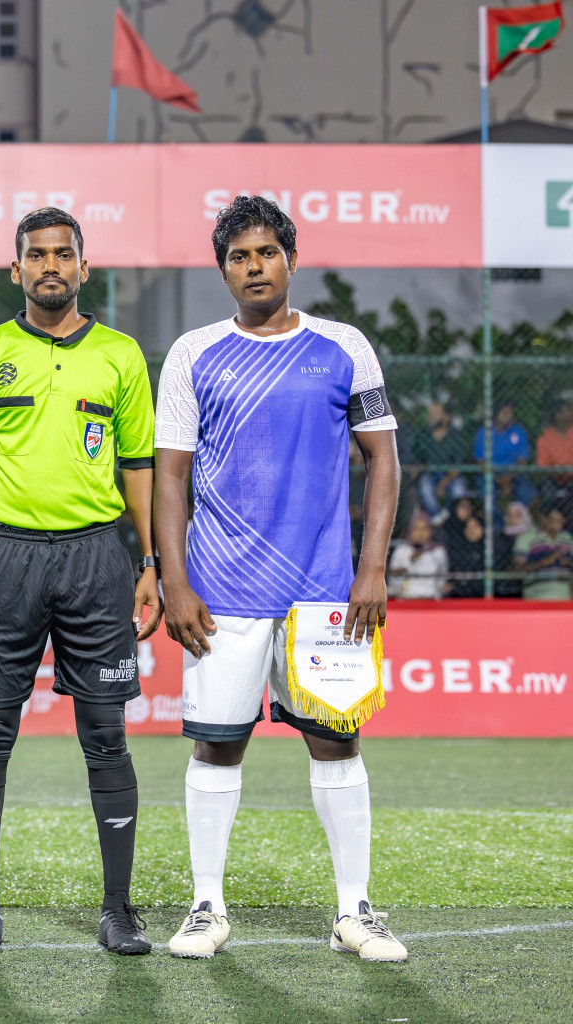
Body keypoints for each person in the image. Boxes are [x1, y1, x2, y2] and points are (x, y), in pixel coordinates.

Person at [154, 194, 407, 963]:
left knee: (337, 746)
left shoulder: (345, 348)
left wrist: (371, 568)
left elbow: (384, 460)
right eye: (239, 256)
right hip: (221, 594)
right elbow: (170, 478)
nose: (254, 266)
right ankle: (206, 908)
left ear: (291, 259)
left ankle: (355, 912)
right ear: (223, 269)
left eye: (266, 252)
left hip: (326, 597)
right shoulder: (193, 353)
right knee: (216, 750)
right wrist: (174, 579)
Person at [0, 207, 160, 956]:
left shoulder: (122, 357)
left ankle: (119, 909)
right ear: (16, 270)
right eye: (37, 256)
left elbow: (138, 470)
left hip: (97, 557)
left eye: (64, 254)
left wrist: (151, 563)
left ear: (84, 268)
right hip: (2, 558)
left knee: (105, 734)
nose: (51, 266)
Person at [410, 402, 470, 521]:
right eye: (430, 413)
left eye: (436, 413)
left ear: (446, 417)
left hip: (451, 477)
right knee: (424, 486)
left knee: (459, 490)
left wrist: (443, 484)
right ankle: (439, 518)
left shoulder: (455, 437)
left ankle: (452, 519)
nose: (431, 416)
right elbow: (418, 461)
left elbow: (458, 467)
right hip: (430, 475)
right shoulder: (423, 436)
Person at [475, 400, 534, 509]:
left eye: (510, 412)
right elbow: (480, 461)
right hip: (490, 473)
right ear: (496, 414)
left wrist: (508, 478)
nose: (508, 415)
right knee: (487, 494)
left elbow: (522, 460)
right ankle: (497, 523)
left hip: (513, 472)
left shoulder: (518, 431)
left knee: (527, 493)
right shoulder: (484, 432)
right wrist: (498, 479)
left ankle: (518, 522)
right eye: (504, 412)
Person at [513, 506, 572, 601]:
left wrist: (568, 563)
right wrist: (542, 563)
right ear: (543, 518)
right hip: (538, 595)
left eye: (560, 521)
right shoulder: (527, 537)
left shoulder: (567, 538)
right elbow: (517, 570)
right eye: (553, 520)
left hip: (565, 594)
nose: (558, 524)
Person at [387, 513, 449, 599]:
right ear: (410, 530)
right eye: (416, 529)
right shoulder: (401, 550)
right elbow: (392, 579)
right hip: (406, 600)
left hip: (431, 599)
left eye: (424, 528)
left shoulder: (438, 551)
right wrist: (409, 563)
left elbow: (442, 577)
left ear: (430, 531)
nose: (420, 533)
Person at [441, 496, 485, 598]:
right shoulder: (450, 537)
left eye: (476, 526)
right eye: (468, 527)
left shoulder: (489, 548)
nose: (472, 530)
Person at [535, 399, 573, 513]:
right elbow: (542, 465)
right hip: (553, 478)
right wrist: (556, 471)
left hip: (571, 476)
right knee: (548, 496)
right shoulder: (545, 438)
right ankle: (550, 526)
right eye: (565, 412)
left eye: (570, 411)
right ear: (557, 415)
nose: (569, 414)